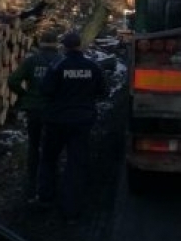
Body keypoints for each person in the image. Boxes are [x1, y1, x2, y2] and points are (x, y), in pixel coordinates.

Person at [36, 30, 107, 220]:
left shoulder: (57, 65)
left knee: (49, 159)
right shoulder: (92, 66)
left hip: (56, 121)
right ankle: (71, 205)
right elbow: (103, 91)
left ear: (65, 47)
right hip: (82, 121)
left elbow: (45, 89)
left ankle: (45, 197)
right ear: (80, 46)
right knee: (76, 162)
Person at [6, 30, 60, 201]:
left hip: (34, 110)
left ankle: (31, 182)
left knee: (33, 145)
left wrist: (24, 95)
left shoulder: (31, 61)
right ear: (56, 44)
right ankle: (51, 183)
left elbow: (12, 80)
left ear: (41, 44)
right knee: (51, 147)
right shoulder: (61, 61)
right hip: (53, 111)